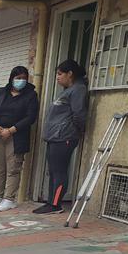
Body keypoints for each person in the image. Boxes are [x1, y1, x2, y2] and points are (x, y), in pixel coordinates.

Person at [34, 59, 88, 214]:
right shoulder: (66, 91)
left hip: (64, 138)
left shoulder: (78, 89)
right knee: (53, 170)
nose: (57, 77)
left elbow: (79, 114)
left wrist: (76, 130)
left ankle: (55, 204)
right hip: (54, 137)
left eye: (60, 74)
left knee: (59, 171)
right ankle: (51, 202)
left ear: (70, 74)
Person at [0, 66, 39, 212]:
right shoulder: (1, 92)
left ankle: (9, 199)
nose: (21, 81)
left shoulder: (31, 95)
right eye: (18, 78)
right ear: (11, 78)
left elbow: (30, 117)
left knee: (13, 167)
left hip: (16, 135)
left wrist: (12, 130)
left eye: (24, 78)